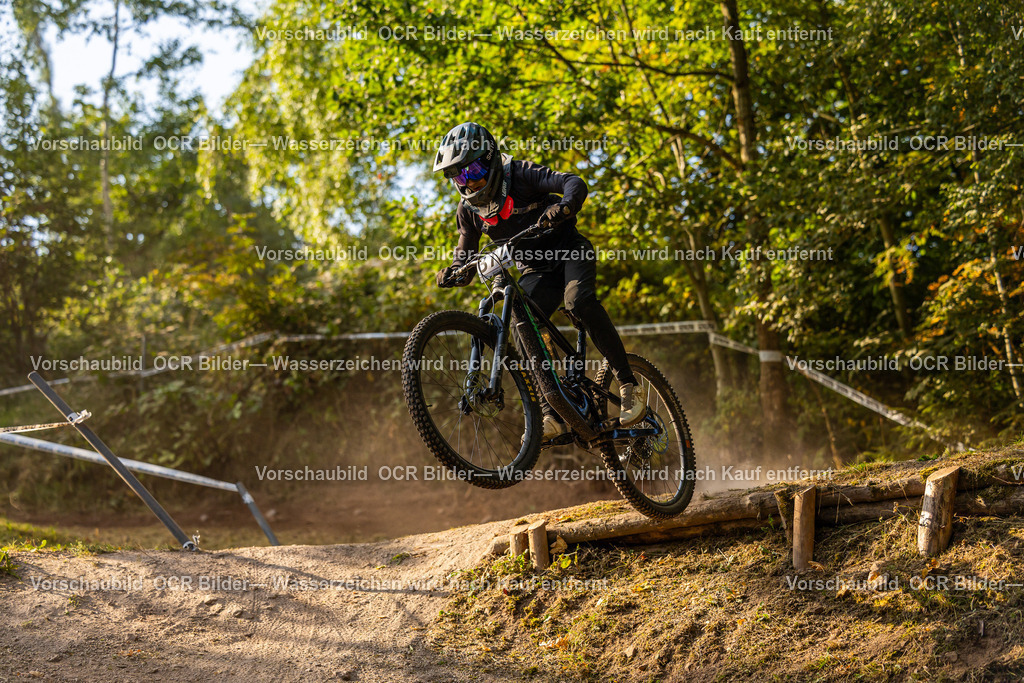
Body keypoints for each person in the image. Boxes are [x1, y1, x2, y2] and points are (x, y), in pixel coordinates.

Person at [432, 121, 644, 440]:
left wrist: (565, 206)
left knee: (579, 303)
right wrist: (453, 272)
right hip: (536, 272)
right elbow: (466, 259)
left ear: (490, 158)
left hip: (571, 252)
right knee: (522, 324)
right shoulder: (469, 212)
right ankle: (554, 412)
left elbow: (572, 181)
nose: (468, 181)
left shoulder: (518, 174)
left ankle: (629, 386)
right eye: (458, 175)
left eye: (472, 169)